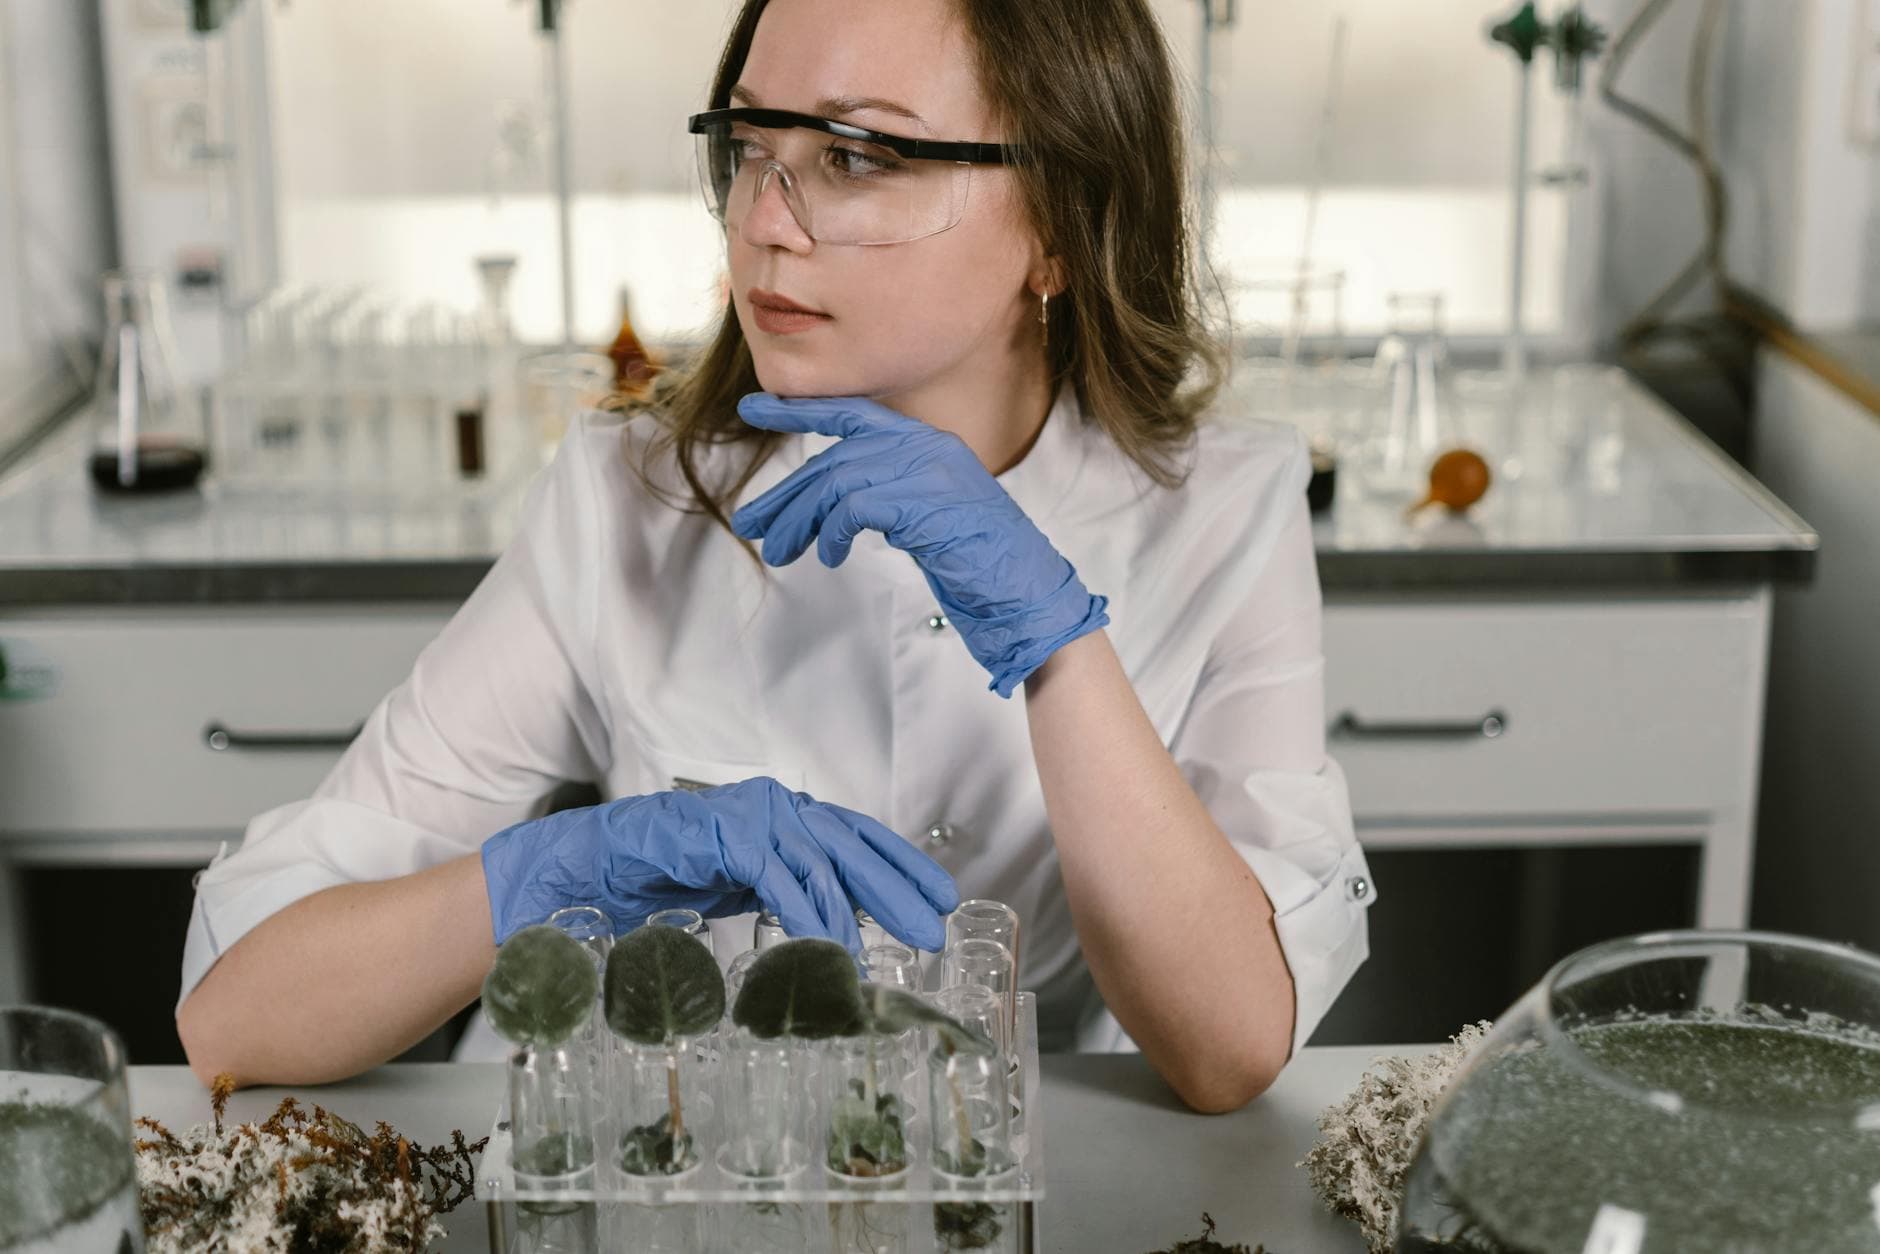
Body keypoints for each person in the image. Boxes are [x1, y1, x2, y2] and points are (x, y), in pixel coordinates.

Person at [176, 0, 1375, 1114]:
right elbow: (236, 1019)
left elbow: (1226, 1050)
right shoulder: (625, 499)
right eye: (750, 146)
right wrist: (555, 870)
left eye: (856, 157)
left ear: (1060, 228)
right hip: (653, 1179)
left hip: (1013, 1187)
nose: (761, 223)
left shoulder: (1222, 506)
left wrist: (1055, 637)